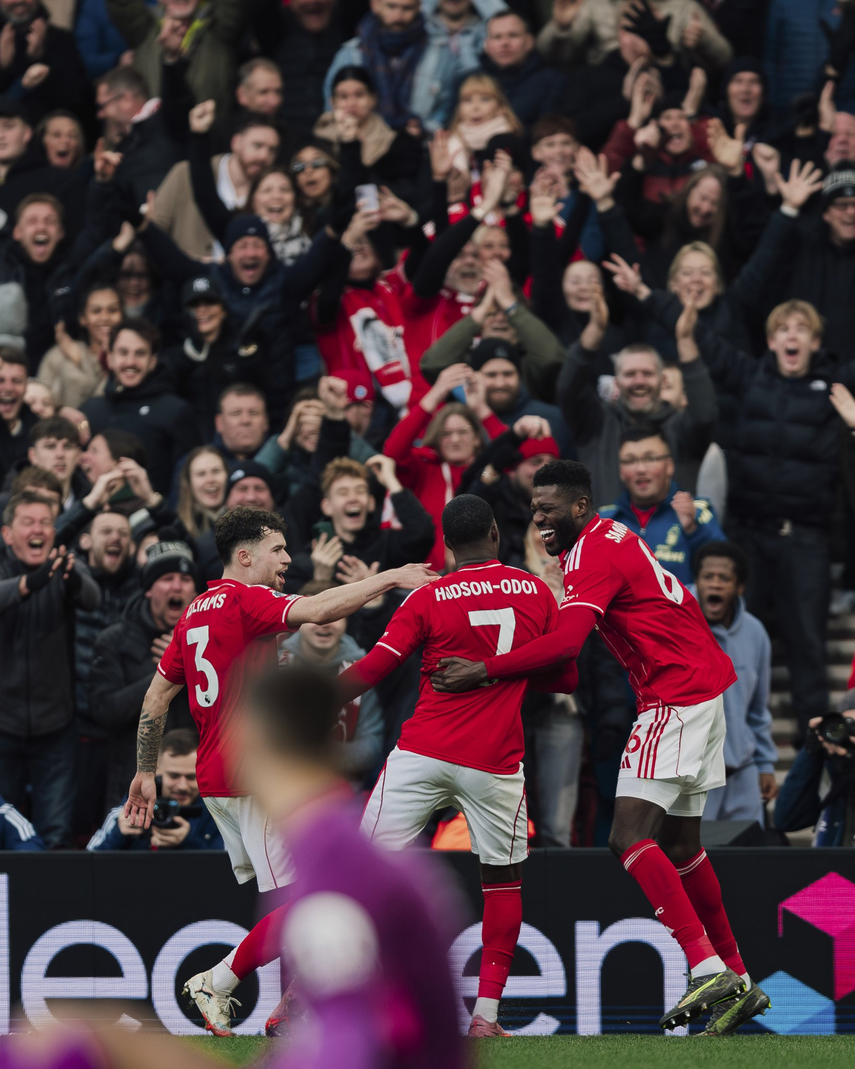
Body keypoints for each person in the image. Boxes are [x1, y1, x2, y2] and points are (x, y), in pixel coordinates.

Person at [433, 460, 770, 1036]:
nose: (539, 518)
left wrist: (484, 669)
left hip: (674, 693)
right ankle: (736, 979)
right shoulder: (606, 537)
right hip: (700, 685)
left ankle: (707, 966)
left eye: (549, 509)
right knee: (684, 846)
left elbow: (566, 647)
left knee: (626, 836)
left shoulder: (591, 554)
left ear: (580, 507)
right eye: (534, 509)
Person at [4, 661, 464, 1069]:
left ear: (248, 742)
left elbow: (351, 1044)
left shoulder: (334, 865)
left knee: (63, 1048)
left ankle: (215, 982)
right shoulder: (338, 845)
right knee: (91, 1038)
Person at [123, 506, 435, 1037]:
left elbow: (155, 700)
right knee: (310, 898)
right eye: (278, 549)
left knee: (291, 904)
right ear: (244, 557)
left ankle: (294, 1013)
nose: (288, 558)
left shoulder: (194, 611)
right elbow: (316, 611)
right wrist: (392, 577)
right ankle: (218, 982)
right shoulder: (247, 599)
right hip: (252, 776)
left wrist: (145, 772)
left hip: (216, 780)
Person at [339, 494, 578, 1036]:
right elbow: (565, 677)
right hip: (495, 761)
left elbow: (375, 667)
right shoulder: (537, 591)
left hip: (423, 751)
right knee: (502, 883)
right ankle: (486, 1018)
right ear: (496, 534)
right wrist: (500, 673)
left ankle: (326, 996)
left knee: (360, 878)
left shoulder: (429, 596)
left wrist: (310, 704)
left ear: (446, 545)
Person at [557, 282, 717, 506]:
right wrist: (595, 329)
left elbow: (704, 413)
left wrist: (685, 340)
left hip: (671, 538)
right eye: (630, 374)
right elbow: (568, 389)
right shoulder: (596, 424)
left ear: (663, 381)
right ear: (616, 381)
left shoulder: (681, 429)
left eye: (647, 374)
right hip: (605, 540)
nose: (639, 381)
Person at [0, 490, 99, 847]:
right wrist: (29, 583)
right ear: (7, 534)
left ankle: (51, 903)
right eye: (28, 522)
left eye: (45, 522)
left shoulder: (64, 563)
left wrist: (71, 580)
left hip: (56, 726)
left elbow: (93, 598)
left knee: (56, 832)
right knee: (3, 833)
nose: (38, 529)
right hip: (3, 726)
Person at [89, 539, 198, 811]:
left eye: (185, 579)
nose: (177, 586)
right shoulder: (114, 639)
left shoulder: (210, 640)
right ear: (148, 590)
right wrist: (167, 669)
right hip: (132, 779)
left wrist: (193, 660)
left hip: (194, 781)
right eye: (167, 578)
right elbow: (105, 711)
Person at [382, 363, 506, 569]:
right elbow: (393, 450)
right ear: (436, 440)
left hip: (483, 576)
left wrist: (480, 409)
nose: (455, 439)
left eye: (463, 432)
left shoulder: (488, 469)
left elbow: (516, 456)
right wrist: (435, 394)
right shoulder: (423, 468)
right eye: (446, 434)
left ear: (477, 438)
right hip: (429, 577)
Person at [694, 541, 777, 824]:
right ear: (697, 582)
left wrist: (765, 765)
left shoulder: (756, 633)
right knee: (690, 865)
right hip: (691, 779)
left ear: (739, 587)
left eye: (724, 578)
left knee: (750, 864)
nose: (715, 585)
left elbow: (758, 710)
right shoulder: (674, 623)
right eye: (708, 577)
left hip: (743, 774)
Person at [279, 580, 384, 790]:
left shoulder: (362, 670)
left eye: (334, 616)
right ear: (298, 621)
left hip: (340, 792)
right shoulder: (275, 665)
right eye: (316, 617)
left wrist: (323, 755)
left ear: (346, 621)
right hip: (279, 789)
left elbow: (372, 744)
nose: (325, 624)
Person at [81, 318, 200, 495]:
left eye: (140, 353)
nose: (130, 362)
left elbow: (187, 483)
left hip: (155, 518)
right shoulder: (90, 411)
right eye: (123, 352)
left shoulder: (175, 411)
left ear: (152, 361)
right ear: (110, 358)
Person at [600, 425, 725, 585]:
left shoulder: (697, 511)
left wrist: (694, 531)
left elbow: (724, 569)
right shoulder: (605, 520)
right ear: (621, 471)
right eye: (630, 461)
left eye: (650, 458)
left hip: (680, 608)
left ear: (669, 466)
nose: (640, 469)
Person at [150, 112, 280, 261]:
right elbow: (155, 232)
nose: (264, 156)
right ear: (236, 142)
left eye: (272, 150)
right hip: (186, 279)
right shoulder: (186, 173)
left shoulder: (272, 193)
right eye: (257, 145)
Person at [323, 0, 461, 132]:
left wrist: (424, 129)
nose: (398, 16)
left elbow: (447, 105)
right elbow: (332, 104)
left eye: (407, 8)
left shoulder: (440, 53)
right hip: (362, 147)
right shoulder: (351, 54)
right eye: (391, 6)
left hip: (420, 148)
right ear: (375, 5)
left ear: (420, 7)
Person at [104, 0, 248, 120]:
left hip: (210, 137)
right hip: (154, 139)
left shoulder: (218, 27)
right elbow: (121, 3)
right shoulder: (143, 28)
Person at [88, 729, 224, 852]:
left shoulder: (219, 811)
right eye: (174, 776)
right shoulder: (137, 801)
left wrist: (188, 842)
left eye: (191, 777)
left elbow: (228, 871)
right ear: (156, 770)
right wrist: (118, 832)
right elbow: (89, 862)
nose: (182, 786)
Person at [0, 0, 89, 124]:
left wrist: (42, 58)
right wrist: (3, 68)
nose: (19, 1)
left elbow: (78, 101)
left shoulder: (61, 40)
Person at [37, 284, 122, 409]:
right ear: (82, 318)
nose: (105, 318)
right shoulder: (58, 355)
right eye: (96, 311)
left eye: (113, 310)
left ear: (122, 316)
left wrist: (82, 361)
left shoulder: (130, 358)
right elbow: (38, 404)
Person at [476, 11, 566, 127]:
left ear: (529, 41)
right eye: (497, 37)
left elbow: (547, 131)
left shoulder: (552, 80)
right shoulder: (469, 81)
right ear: (487, 45)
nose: (505, 43)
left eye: (513, 35)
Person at [445, 72, 522, 175]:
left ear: (500, 107)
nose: (475, 107)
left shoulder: (512, 144)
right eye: (468, 100)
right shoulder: (447, 145)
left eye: (485, 99)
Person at [0, 350, 39, 487]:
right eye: (0, 380)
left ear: (26, 386)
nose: (8, 388)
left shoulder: (38, 428)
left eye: (16, 381)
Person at [176, 446, 229, 540]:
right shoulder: (177, 528)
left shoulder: (246, 521)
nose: (210, 480)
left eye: (216, 471)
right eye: (201, 474)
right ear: (189, 483)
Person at [214, 384, 270, 467]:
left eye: (254, 413)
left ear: (266, 421)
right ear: (219, 423)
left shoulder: (285, 460)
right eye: (236, 413)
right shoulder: (198, 463)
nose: (245, 420)